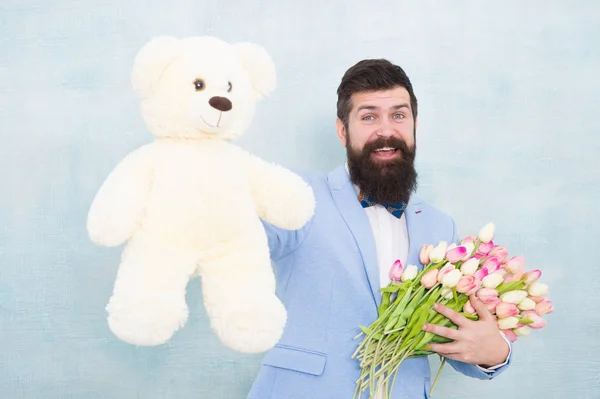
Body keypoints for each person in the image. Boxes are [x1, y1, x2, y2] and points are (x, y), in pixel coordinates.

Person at [247, 59, 511, 399]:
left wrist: (494, 354)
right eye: (369, 116)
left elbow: (450, 334)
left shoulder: (440, 225)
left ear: (415, 124)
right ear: (342, 130)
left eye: (398, 115)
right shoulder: (297, 194)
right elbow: (237, 233)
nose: (386, 131)